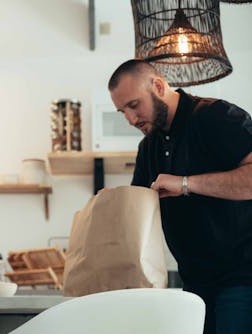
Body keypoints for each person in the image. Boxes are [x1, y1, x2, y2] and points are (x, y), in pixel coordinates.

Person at [108, 59, 252, 334]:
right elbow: (140, 208)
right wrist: (115, 200)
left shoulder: (215, 116)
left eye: (134, 105)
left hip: (242, 280)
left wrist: (186, 183)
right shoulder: (148, 147)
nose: (130, 119)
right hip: (195, 285)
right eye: (122, 111)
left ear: (159, 86)